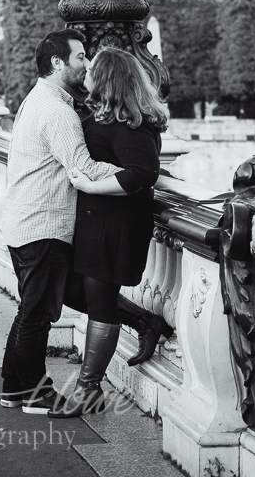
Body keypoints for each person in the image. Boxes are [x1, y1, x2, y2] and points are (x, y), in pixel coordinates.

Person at [0, 29, 122, 414]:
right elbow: (82, 167)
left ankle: (14, 386)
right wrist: (136, 174)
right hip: (45, 225)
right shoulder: (57, 111)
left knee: (29, 309)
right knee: (38, 315)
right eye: (80, 57)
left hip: (24, 221)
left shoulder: (36, 100)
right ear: (57, 62)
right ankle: (36, 392)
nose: (87, 64)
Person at [49, 46, 173, 418]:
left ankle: (88, 389)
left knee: (99, 302)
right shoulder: (105, 117)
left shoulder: (130, 125)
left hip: (115, 227)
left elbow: (143, 173)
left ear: (106, 78)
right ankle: (144, 321)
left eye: (92, 67)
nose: (85, 69)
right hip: (95, 223)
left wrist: (91, 187)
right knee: (72, 290)